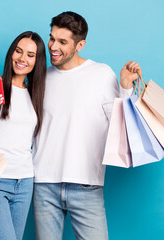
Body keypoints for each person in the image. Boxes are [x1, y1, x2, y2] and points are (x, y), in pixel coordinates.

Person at [32, 11, 142, 240]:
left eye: (63, 42)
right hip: (43, 184)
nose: (53, 46)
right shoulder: (40, 77)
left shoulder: (101, 74)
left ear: (80, 44)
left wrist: (125, 88)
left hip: (86, 185)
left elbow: (120, 126)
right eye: (52, 38)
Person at [0, 31, 46, 240]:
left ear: (37, 61)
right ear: (11, 53)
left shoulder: (35, 95)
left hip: (24, 181)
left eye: (30, 55)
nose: (22, 59)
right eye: (18, 51)